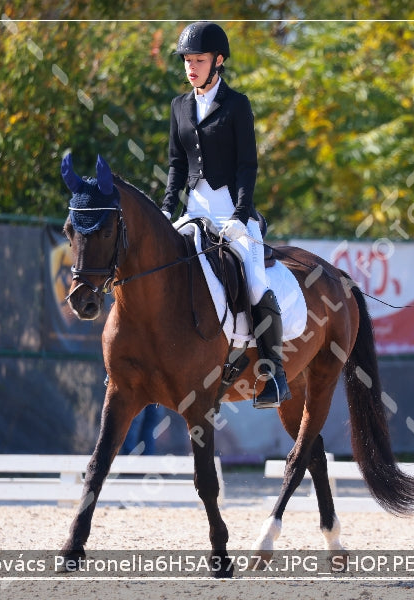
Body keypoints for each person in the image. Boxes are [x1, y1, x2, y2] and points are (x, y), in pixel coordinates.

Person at [160, 21, 290, 408]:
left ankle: (274, 371)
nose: (191, 67)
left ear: (218, 61)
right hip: (194, 211)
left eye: (198, 60)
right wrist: (167, 207)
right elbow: (175, 165)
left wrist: (241, 213)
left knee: (253, 283)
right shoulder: (179, 106)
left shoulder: (237, 105)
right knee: (157, 266)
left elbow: (247, 166)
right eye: (187, 60)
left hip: (233, 213)